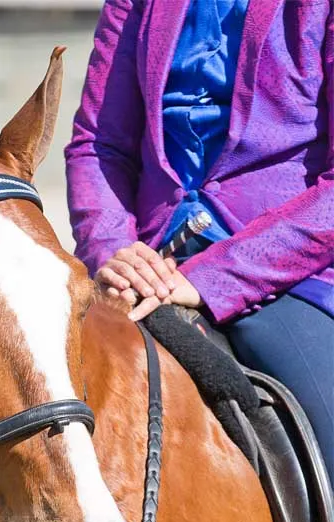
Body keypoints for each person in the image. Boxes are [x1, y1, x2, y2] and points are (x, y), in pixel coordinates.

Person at [65, 0, 334, 486]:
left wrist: (211, 279)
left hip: (289, 275)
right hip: (146, 266)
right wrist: (114, 254)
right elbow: (98, 145)